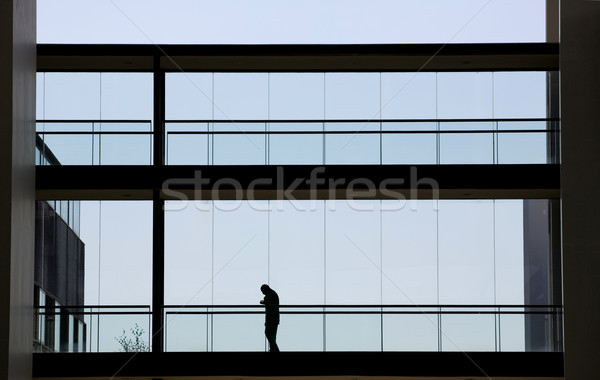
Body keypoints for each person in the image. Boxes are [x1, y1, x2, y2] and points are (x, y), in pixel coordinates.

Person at [259, 284, 280, 352]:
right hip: (274, 318)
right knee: (272, 334)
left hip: (271, 318)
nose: (262, 293)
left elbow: (267, 302)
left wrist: (262, 301)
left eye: (262, 291)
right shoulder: (273, 294)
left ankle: (275, 349)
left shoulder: (270, 294)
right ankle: (273, 349)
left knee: (268, 333)